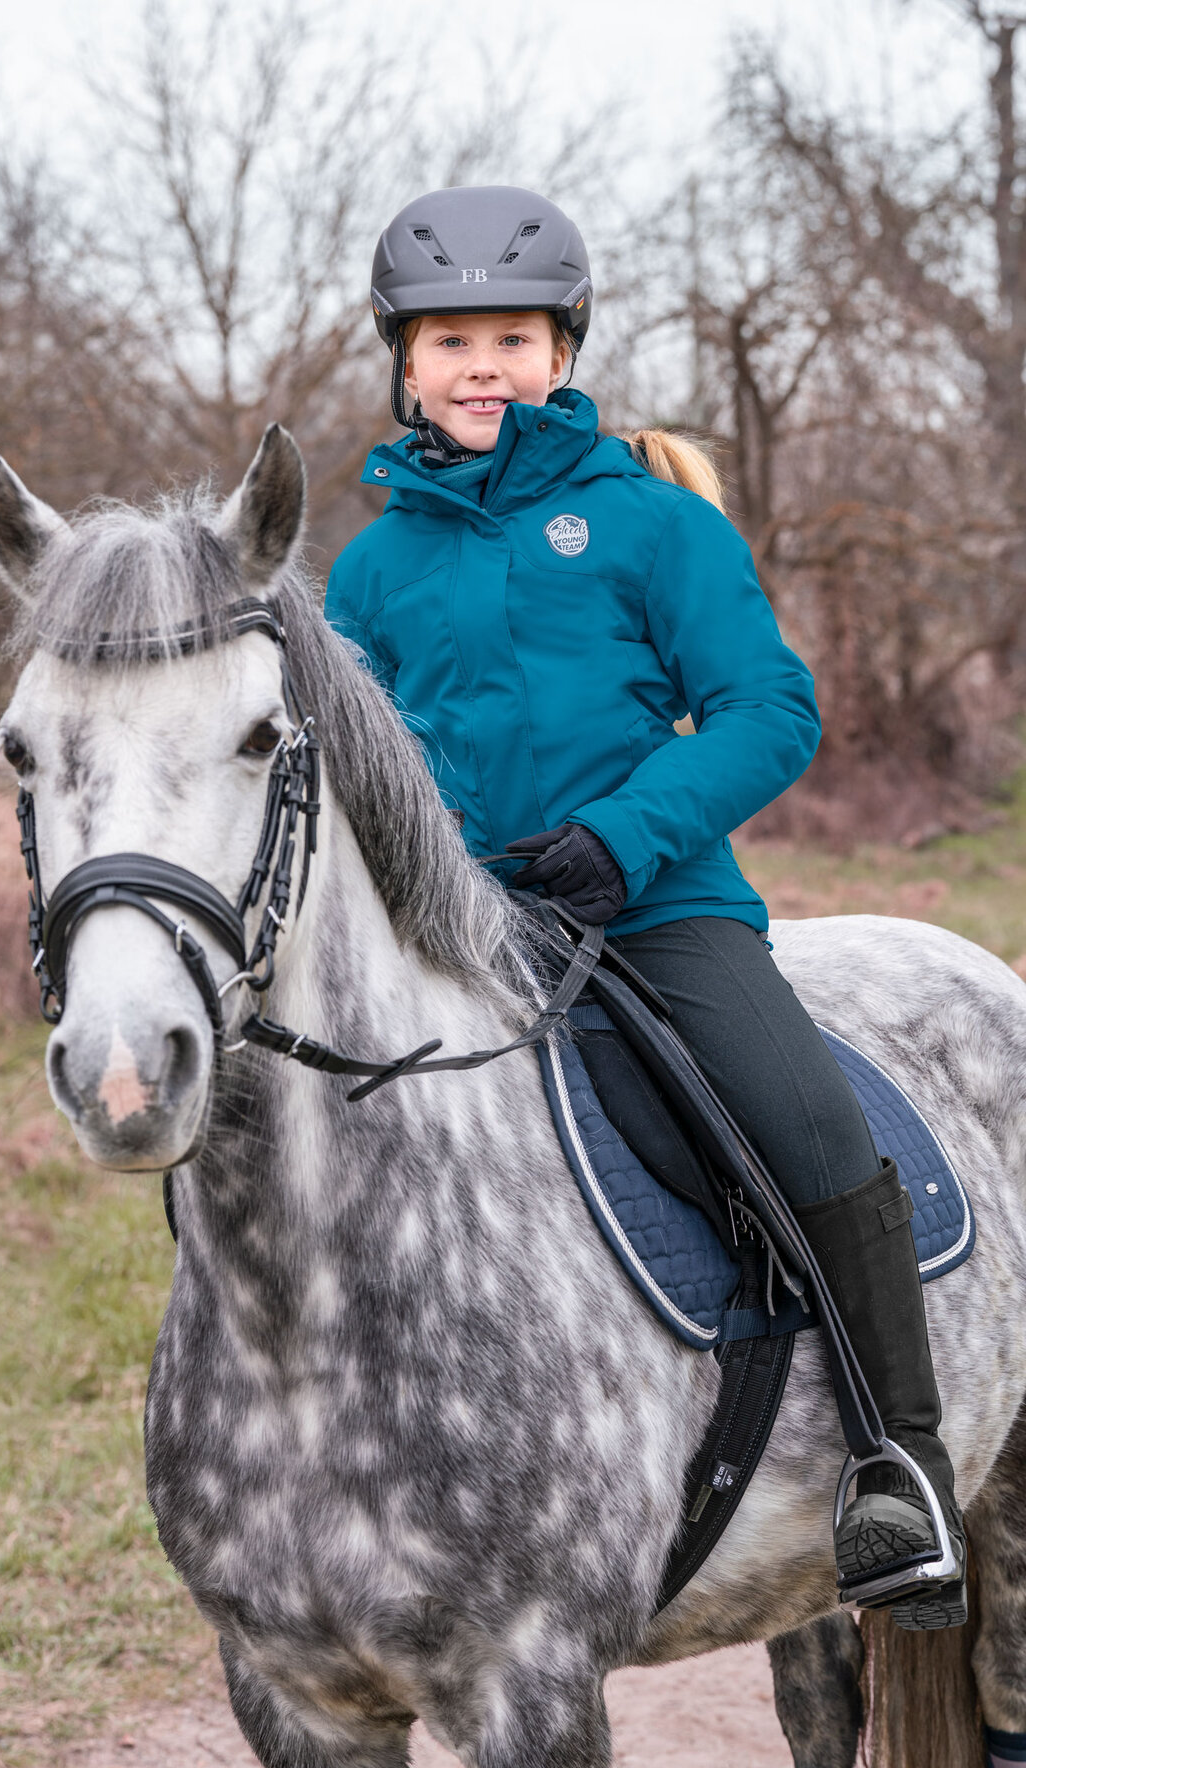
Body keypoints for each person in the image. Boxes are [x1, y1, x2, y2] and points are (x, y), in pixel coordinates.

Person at [323, 185, 966, 1631]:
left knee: (806, 1126)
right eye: (448, 342)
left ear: (561, 350)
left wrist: (624, 838)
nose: (479, 366)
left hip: (655, 910)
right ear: (401, 363)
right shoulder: (366, 571)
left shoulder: (649, 525)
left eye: (509, 336)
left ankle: (898, 1471)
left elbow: (767, 710)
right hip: (451, 937)